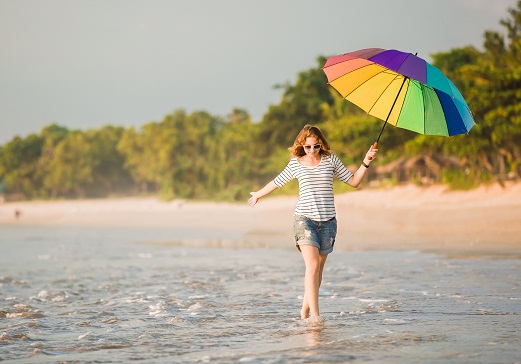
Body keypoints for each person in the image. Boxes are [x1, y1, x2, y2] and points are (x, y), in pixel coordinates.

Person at [248, 125, 377, 323]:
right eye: (308, 147)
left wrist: (366, 161)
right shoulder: (296, 163)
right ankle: (316, 317)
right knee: (313, 265)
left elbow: (353, 182)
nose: (312, 150)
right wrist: (258, 194)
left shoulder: (330, 161)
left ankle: (304, 312)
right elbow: (277, 181)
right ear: (301, 145)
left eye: (316, 146)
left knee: (318, 271)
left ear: (321, 144)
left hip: (328, 222)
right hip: (304, 220)